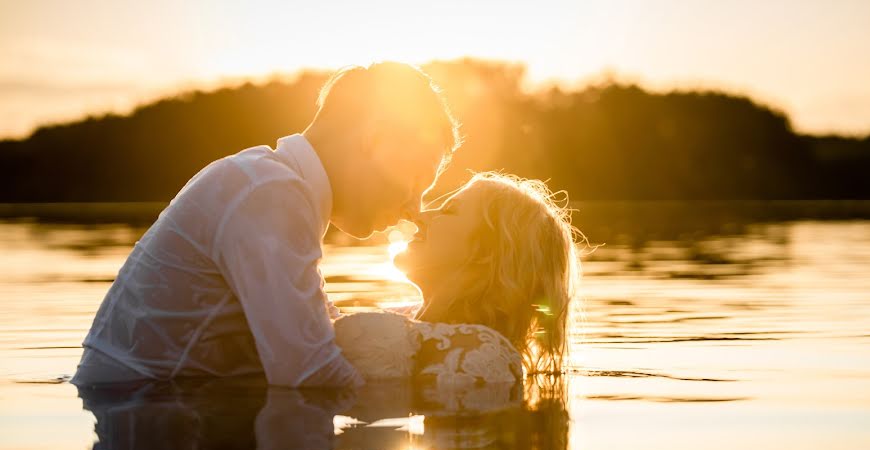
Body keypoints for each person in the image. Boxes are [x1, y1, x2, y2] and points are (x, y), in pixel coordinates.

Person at [72, 62, 459, 388]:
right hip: (143, 414)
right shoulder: (270, 193)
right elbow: (310, 372)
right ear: (376, 140)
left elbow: (327, 331)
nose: (415, 208)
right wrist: (433, 402)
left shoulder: (271, 184)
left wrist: (440, 316)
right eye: (417, 177)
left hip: (149, 416)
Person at [334, 172, 580, 384]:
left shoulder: (480, 354)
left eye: (448, 210)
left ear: (485, 252)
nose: (419, 217)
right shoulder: (402, 318)